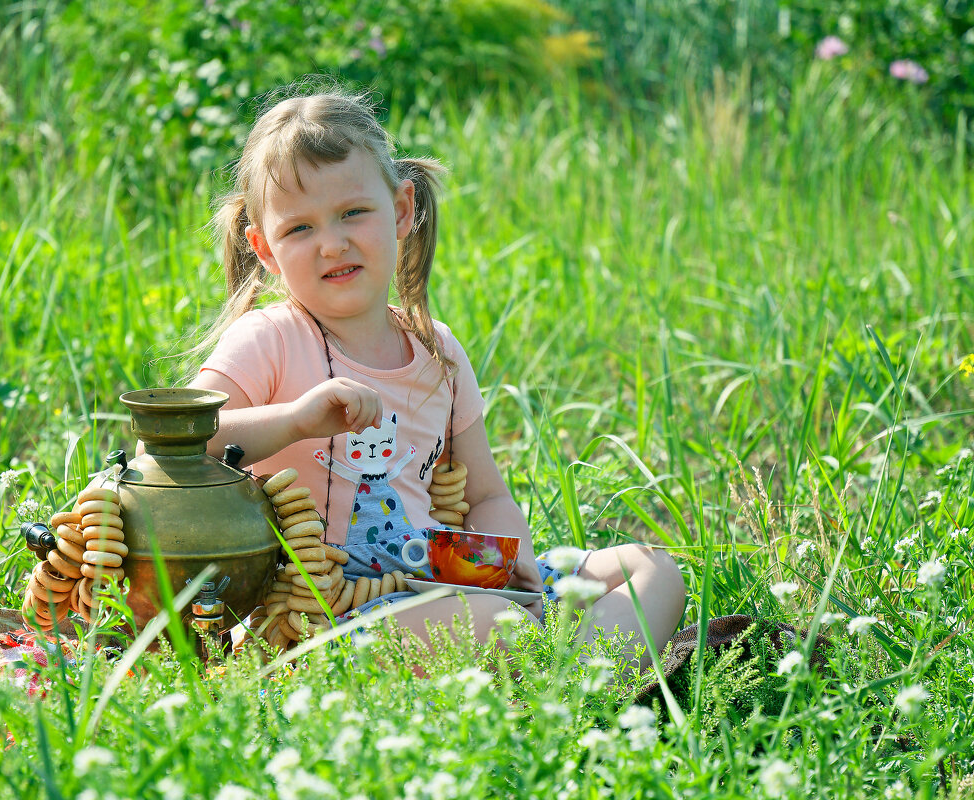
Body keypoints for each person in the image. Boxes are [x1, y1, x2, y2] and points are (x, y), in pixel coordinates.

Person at [187, 89, 685, 667]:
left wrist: (514, 560)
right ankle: (577, 675)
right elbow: (184, 435)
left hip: (442, 573)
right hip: (328, 615)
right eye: (299, 228)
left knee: (651, 567)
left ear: (401, 210)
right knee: (497, 626)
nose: (332, 242)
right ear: (264, 248)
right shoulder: (270, 338)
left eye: (353, 212)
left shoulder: (435, 350)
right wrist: (295, 420)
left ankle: (572, 674)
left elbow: (487, 494)